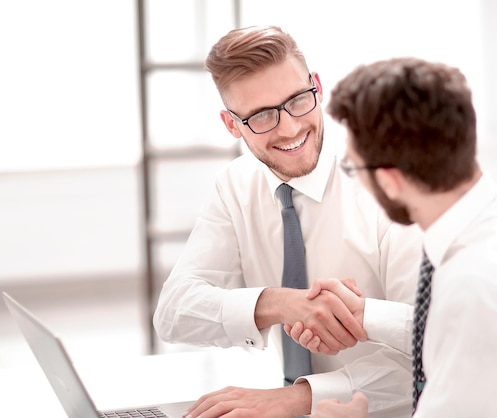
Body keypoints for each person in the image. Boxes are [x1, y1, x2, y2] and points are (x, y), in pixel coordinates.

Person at [288, 57, 497, 417]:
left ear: (390, 178)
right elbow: (471, 342)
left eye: (353, 167)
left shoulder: (475, 289)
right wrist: (367, 316)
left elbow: (473, 322)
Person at [152, 26, 422, 418]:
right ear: (232, 125)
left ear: (317, 86)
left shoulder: (389, 186)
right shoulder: (235, 186)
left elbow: (434, 350)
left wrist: (296, 399)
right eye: (261, 116)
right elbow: (174, 312)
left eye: (298, 100)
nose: (290, 128)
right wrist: (279, 303)